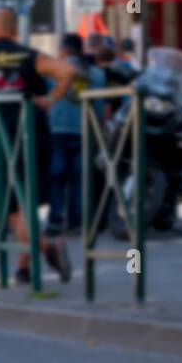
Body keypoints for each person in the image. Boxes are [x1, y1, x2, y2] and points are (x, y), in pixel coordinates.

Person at [0, 8, 79, 284]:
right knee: (27, 199)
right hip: (31, 132)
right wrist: (50, 99)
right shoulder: (28, 55)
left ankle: (45, 248)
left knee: (9, 203)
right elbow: (68, 70)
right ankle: (24, 267)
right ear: (14, 31)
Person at [46, 33, 104, 240]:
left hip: (58, 129)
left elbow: (48, 98)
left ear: (64, 49)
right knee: (79, 178)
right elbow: (99, 105)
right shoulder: (96, 74)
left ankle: (55, 220)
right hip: (85, 130)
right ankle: (77, 222)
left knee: (57, 177)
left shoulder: (54, 72)